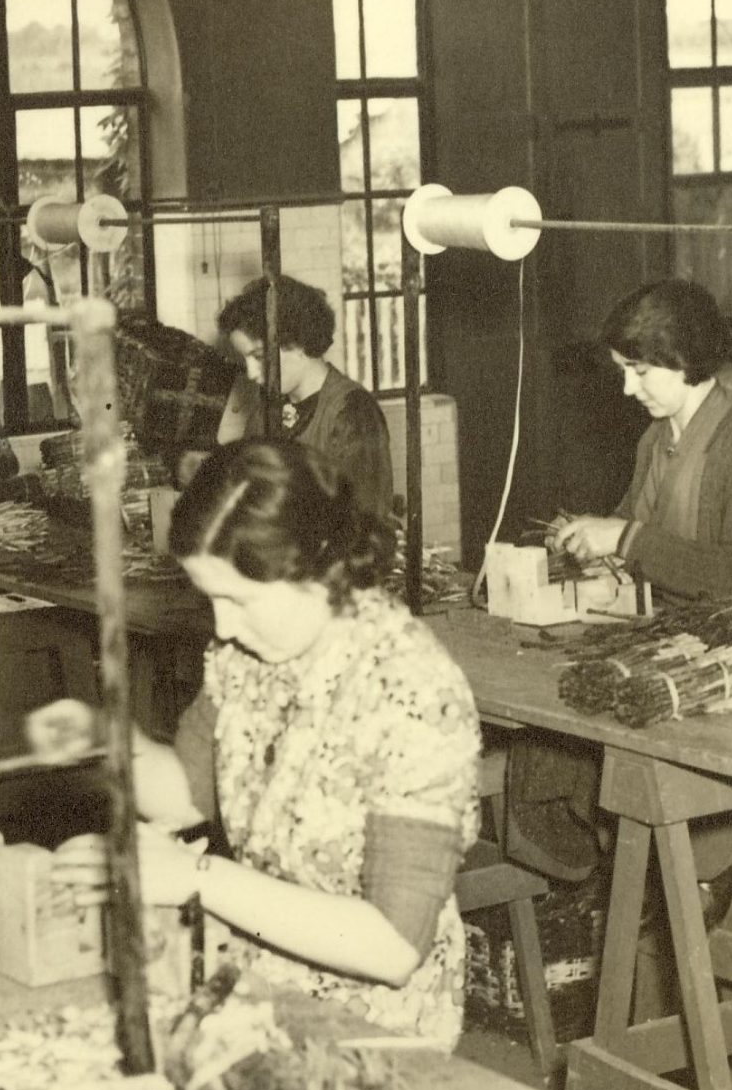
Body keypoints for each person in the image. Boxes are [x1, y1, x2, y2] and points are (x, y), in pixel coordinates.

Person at [44, 438, 481, 1045]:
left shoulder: (412, 691)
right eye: (211, 598)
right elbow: (188, 797)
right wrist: (105, 741)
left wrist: (196, 876)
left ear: (315, 573)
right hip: (256, 987)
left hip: (374, 1028)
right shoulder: (246, 655)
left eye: (239, 600)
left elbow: (393, 944)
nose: (221, 626)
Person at [546, 279, 732, 599]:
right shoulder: (656, 438)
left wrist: (621, 538)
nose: (628, 388)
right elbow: (632, 528)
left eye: (640, 371)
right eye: (623, 372)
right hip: (691, 627)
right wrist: (584, 536)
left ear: (683, 358)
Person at [214, 274, 393, 521]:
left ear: (296, 343)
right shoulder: (267, 407)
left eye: (258, 357)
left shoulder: (353, 413)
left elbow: (364, 523)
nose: (252, 373)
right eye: (245, 360)